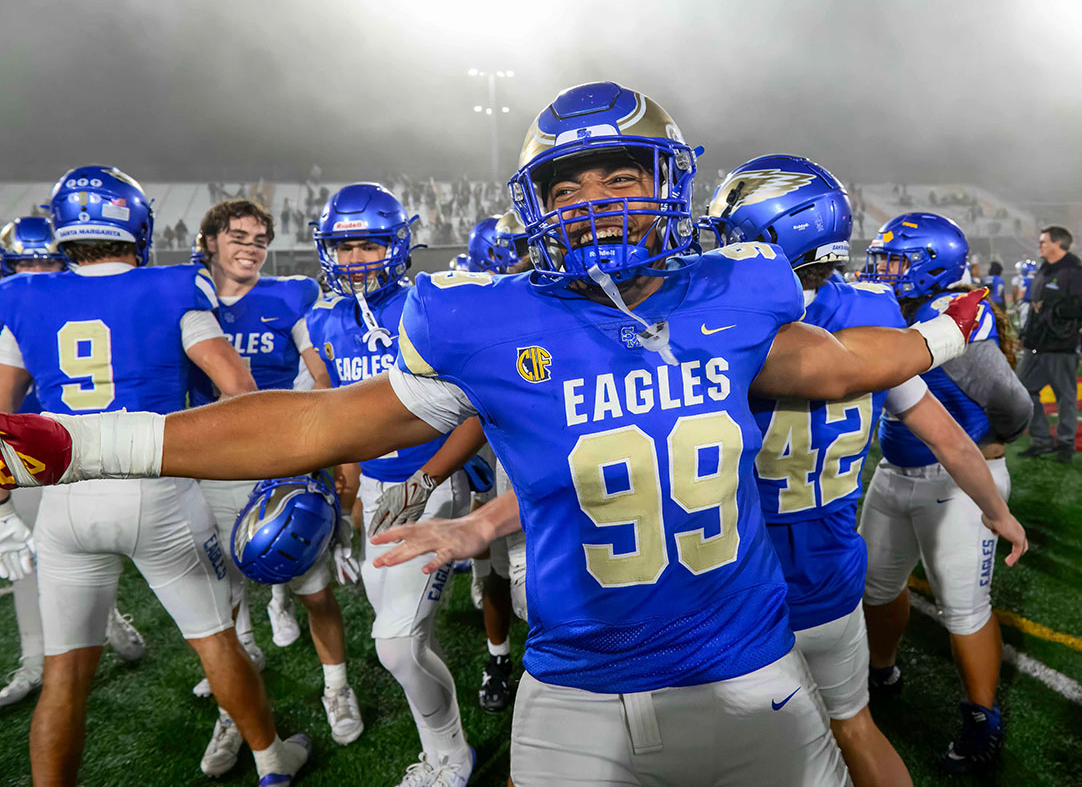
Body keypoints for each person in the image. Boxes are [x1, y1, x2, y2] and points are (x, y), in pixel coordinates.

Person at [0, 84, 989, 787]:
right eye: (567, 188)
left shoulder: (736, 289)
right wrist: (88, 447)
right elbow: (317, 419)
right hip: (578, 693)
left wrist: (946, 331)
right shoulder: (488, 316)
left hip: (754, 676)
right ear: (534, 208)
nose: (596, 203)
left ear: (670, 182)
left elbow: (838, 365)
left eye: (622, 175)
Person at [704, 158, 1027, 787]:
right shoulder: (873, 321)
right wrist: (999, 511)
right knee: (853, 725)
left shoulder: (727, 331)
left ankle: (974, 710)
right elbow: (949, 437)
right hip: (832, 569)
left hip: (745, 575)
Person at [0, 167, 308, 785]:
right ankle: (272, 760)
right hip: (155, 487)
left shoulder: (23, 294)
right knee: (216, 639)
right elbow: (239, 388)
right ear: (137, 224)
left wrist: (5, 511)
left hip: (65, 499)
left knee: (64, 676)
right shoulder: (174, 285)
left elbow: (4, 418)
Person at [306, 182, 478, 786]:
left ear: (397, 246)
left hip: (433, 486)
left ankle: (451, 758)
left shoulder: (431, 305)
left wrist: (427, 481)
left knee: (397, 642)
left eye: (370, 245)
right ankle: (440, 746)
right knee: (402, 633)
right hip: (378, 493)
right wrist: (345, 503)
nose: (355, 260)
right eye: (344, 247)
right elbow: (339, 422)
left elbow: (479, 407)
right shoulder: (323, 319)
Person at [188, 198, 362, 774]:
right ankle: (234, 711)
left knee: (316, 590)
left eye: (260, 239)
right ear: (209, 240)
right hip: (214, 464)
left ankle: (336, 687)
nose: (252, 248)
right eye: (239, 236)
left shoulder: (290, 294)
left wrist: (331, 447)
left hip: (281, 457)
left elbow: (320, 372)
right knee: (224, 602)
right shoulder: (186, 296)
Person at [858, 212, 1032, 775]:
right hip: (894, 473)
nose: (881, 271)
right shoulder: (890, 306)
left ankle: (982, 717)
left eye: (894, 261)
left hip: (957, 482)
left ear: (932, 266)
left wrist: (993, 442)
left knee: (964, 606)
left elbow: (1014, 404)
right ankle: (881, 670)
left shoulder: (953, 317)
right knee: (875, 587)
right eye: (881, 259)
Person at [0, 218, 146, 709]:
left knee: (82, 547)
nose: (36, 272)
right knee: (23, 560)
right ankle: (33, 660)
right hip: (17, 449)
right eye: (25, 262)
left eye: (46, 262)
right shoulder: (13, 305)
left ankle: (105, 615)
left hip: (69, 446)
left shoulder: (64, 301)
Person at [462, 211, 530, 714]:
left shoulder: (556, 295)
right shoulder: (472, 306)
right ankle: (498, 656)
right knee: (495, 568)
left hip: (532, 450)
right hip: (487, 444)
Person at [1016, 226, 1082, 463]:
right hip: (1036, 342)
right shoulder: (1044, 269)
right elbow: (1035, 306)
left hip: (1061, 343)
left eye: (1044, 241)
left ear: (1058, 244)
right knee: (1023, 391)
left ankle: (1066, 443)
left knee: (1065, 396)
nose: (1040, 245)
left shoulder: (1077, 272)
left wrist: (1052, 310)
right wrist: (1025, 334)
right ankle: (1041, 438)